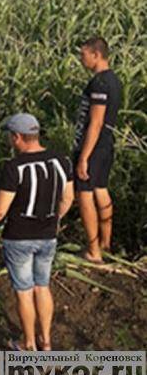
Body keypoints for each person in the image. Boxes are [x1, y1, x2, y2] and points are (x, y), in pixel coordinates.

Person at [0, 113, 74, 352]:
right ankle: (46, 342)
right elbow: (68, 197)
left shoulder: (15, 167)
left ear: (17, 137)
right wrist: (53, 219)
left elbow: (0, 210)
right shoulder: (62, 161)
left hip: (18, 238)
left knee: (24, 291)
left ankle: (28, 344)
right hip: (48, 236)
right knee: (43, 286)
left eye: (11, 138)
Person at [73, 36, 122, 264]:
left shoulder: (100, 83)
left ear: (96, 54)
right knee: (101, 189)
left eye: (84, 54)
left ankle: (94, 251)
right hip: (106, 145)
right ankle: (105, 242)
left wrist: (83, 156)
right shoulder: (114, 80)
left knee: (85, 194)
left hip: (93, 146)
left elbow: (96, 122)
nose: (81, 59)